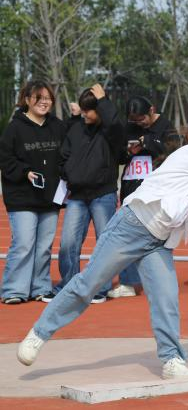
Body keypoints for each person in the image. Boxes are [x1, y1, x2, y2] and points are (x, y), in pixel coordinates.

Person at [16, 112, 188, 379]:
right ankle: (38, 333)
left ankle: (171, 359)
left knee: (166, 298)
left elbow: (181, 205)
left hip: (158, 242)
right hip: (131, 227)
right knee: (88, 283)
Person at [43, 84, 125, 304]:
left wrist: (104, 100)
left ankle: (99, 288)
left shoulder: (110, 131)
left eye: (89, 109)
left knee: (104, 243)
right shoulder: (76, 128)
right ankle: (68, 285)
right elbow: (63, 156)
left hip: (103, 194)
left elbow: (115, 126)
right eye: (83, 109)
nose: (85, 113)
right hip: (77, 196)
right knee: (68, 244)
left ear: (100, 109)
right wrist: (69, 173)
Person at [0, 81, 77, 304]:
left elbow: (72, 144)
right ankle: (14, 290)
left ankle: (40, 287)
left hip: (50, 197)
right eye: (38, 98)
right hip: (22, 197)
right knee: (24, 244)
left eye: (48, 98)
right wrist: (25, 172)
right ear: (27, 100)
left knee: (44, 246)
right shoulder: (15, 128)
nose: (44, 102)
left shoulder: (58, 126)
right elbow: (5, 159)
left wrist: (75, 118)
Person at [108, 96, 177, 299]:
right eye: (134, 120)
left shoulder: (165, 126)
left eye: (142, 119)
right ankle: (128, 282)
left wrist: (148, 142)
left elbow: (174, 151)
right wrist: (129, 151)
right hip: (131, 189)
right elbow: (118, 155)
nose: (138, 123)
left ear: (151, 110)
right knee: (128, 236)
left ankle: (160, 282)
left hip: (157, 191)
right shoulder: (129, 127)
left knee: (158, 237)